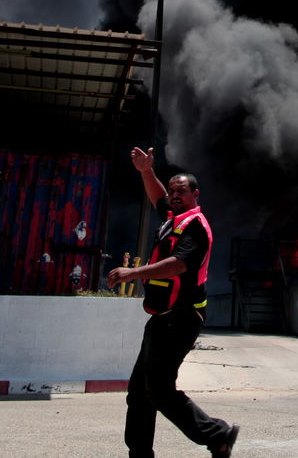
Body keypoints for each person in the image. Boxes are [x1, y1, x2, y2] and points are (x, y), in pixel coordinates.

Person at [106, 147, 240, 458]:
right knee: (140, 391)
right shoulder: (173, 217)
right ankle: (139, 452)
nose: (175, 195)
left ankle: (218, 435)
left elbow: (178, 264)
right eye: (173, 190)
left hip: (182, 317)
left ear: (196, 194)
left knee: (159, 390)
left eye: (182, 191)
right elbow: (158, 198)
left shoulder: (195, 226)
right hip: (164, 316)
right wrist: (145, 171)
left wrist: (132, 273)